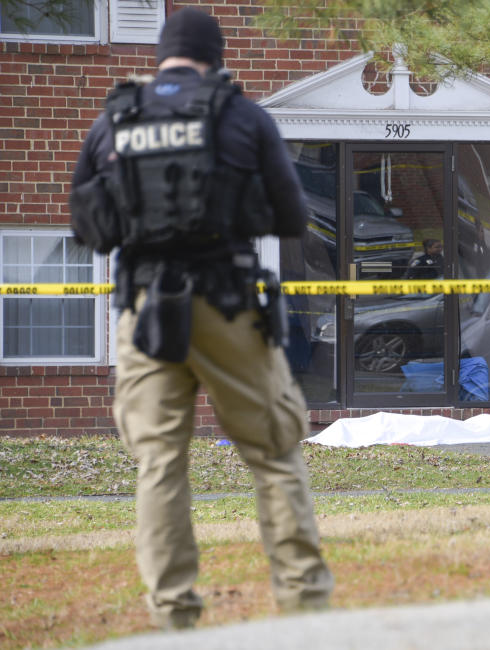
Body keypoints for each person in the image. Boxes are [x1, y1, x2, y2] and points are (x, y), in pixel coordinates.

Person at [69, 7, 333, 629]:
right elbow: (293, 217)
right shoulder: (240, 115)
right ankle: (305, 610)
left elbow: (87, 226)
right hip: (227, 301)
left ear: (161, 54)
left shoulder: (115, 120)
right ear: (214, 57)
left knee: (159, 462)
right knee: (273, 452)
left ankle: (174, 617)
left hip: (142, 310)